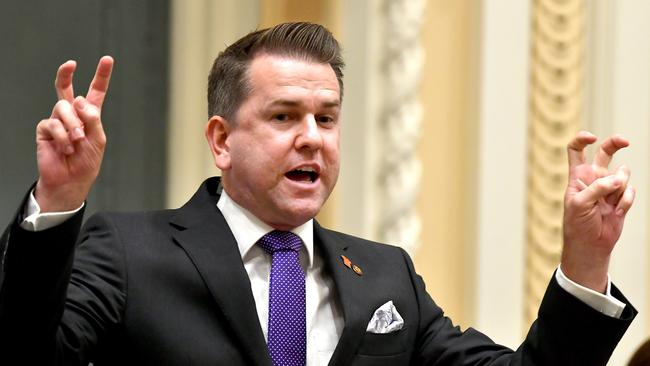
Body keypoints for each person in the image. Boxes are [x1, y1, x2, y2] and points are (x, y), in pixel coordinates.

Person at [0, 22, 638, 365]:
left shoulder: (388, 278)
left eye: (327, 119)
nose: (312, 139)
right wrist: (58, 200)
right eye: (284, 117)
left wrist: (586, 260)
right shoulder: (130, 253)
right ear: (221, 141)